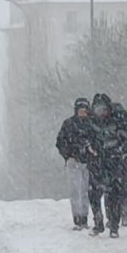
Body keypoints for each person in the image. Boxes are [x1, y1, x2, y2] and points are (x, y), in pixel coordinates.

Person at [87, 93, 127, 238]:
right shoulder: (91, 123)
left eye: (103, 109)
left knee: (114, 194)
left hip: (115, 163)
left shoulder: (120, 121)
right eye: (97, 109)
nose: (100, 113)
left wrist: (120, 151)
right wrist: (89, 148)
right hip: (96, 163)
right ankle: (98, 221)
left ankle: (114, 225)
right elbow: (84, 139)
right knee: (94, 193)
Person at [56, 97, 96, 230]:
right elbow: (60, 142)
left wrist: (93, 153)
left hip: (88, 163)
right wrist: (69, 154)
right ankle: (77, 218)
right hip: (73, 162)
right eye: (80, 110)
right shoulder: (68, 124)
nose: (82, 113)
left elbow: (98, 142)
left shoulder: (92, 125)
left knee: (85, 190)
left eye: (85, 110)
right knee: (75, 190)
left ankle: (84, 217)